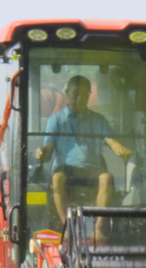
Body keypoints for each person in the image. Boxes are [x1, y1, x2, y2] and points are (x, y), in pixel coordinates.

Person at [34, 75, 132, 226]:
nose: (78, 98)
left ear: (88, 95)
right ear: (67, 93)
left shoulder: (98, 120)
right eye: (75, 94)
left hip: (92, 169)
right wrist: (41, 153)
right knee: (57, 178)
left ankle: (99, 228)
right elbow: (47, 149)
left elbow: (111, 142)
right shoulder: (56, 120)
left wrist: (120, 148)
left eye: (83, 94)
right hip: (66, 169)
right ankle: (67, 228)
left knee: (106, 177)